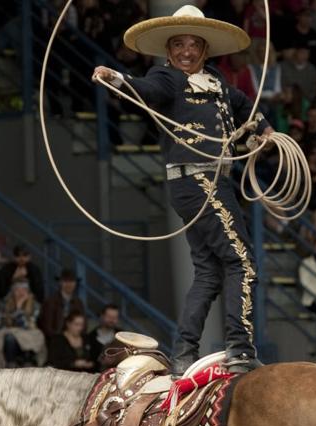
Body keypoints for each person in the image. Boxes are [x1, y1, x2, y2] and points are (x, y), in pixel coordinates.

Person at [92, 5, 272, 374]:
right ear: (168, 50)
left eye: (193, 45)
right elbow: (146, 89)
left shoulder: (216, 80)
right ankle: (240, 348)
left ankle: (185, 351)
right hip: (198, 180)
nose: (186, 51)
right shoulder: (168, 77)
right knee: (242, 262)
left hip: (207, 181)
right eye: (178, 44)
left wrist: (266, 130)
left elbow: (243, 105)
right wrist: (117, 78)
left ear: (204, 50)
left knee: (208, 271)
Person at [0, 281, 46, 369]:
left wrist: (18, 309)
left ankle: (29, 362)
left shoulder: (35, 305)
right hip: (8, 340)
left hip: (29, 338)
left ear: (28, 292)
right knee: (9, 337)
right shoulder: (3, 305)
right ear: (13, 292)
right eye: (17, 289)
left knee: (33, 337)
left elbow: (26, 326)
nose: (20, 292)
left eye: (24, 289)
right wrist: (11, 329)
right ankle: (10, 365)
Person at [40, 269, 85, 339]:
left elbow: (83, 324)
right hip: (56, 339)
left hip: (75, 338)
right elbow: (47, 327)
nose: (69, 284)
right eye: (66, 281)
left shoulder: (78, 303)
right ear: (60, 283)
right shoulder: (50, 302)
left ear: (75, 283)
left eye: (72, 281)